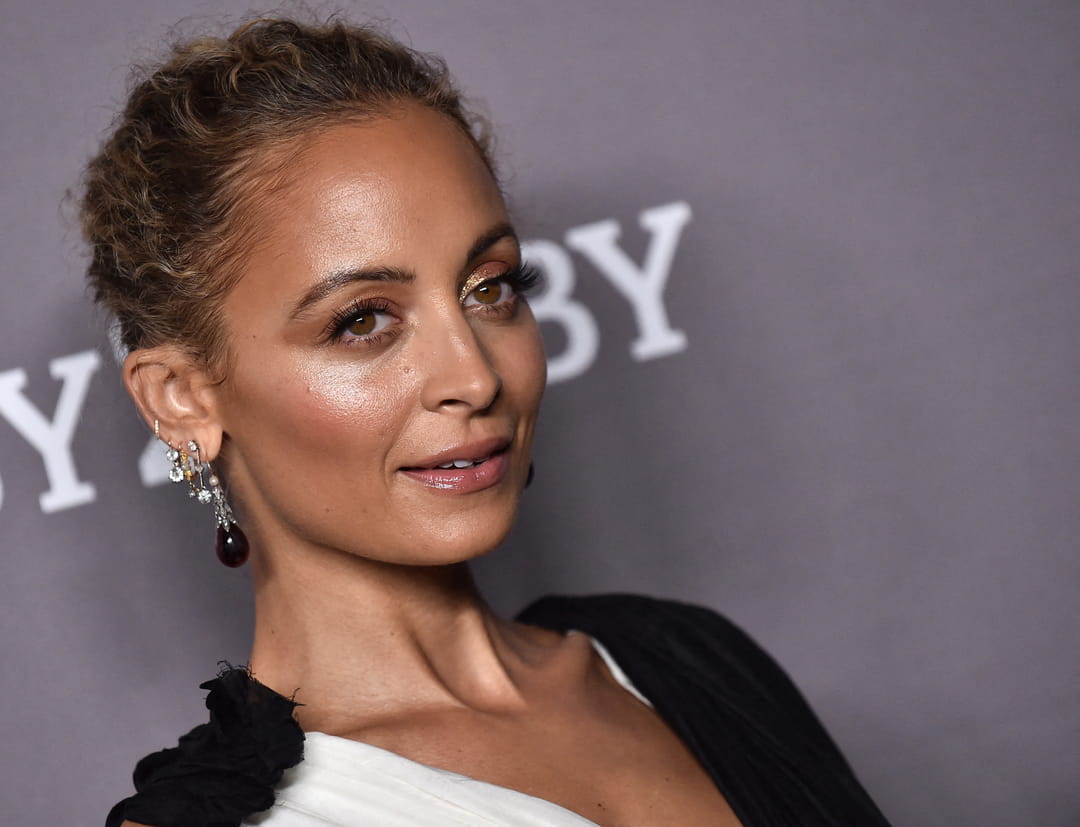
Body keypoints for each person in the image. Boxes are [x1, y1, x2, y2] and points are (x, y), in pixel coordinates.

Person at [81, 17, 890, 827]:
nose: (475, 375)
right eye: (363, 320)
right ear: (181, 398)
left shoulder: (684, 656)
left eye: (491, 288)